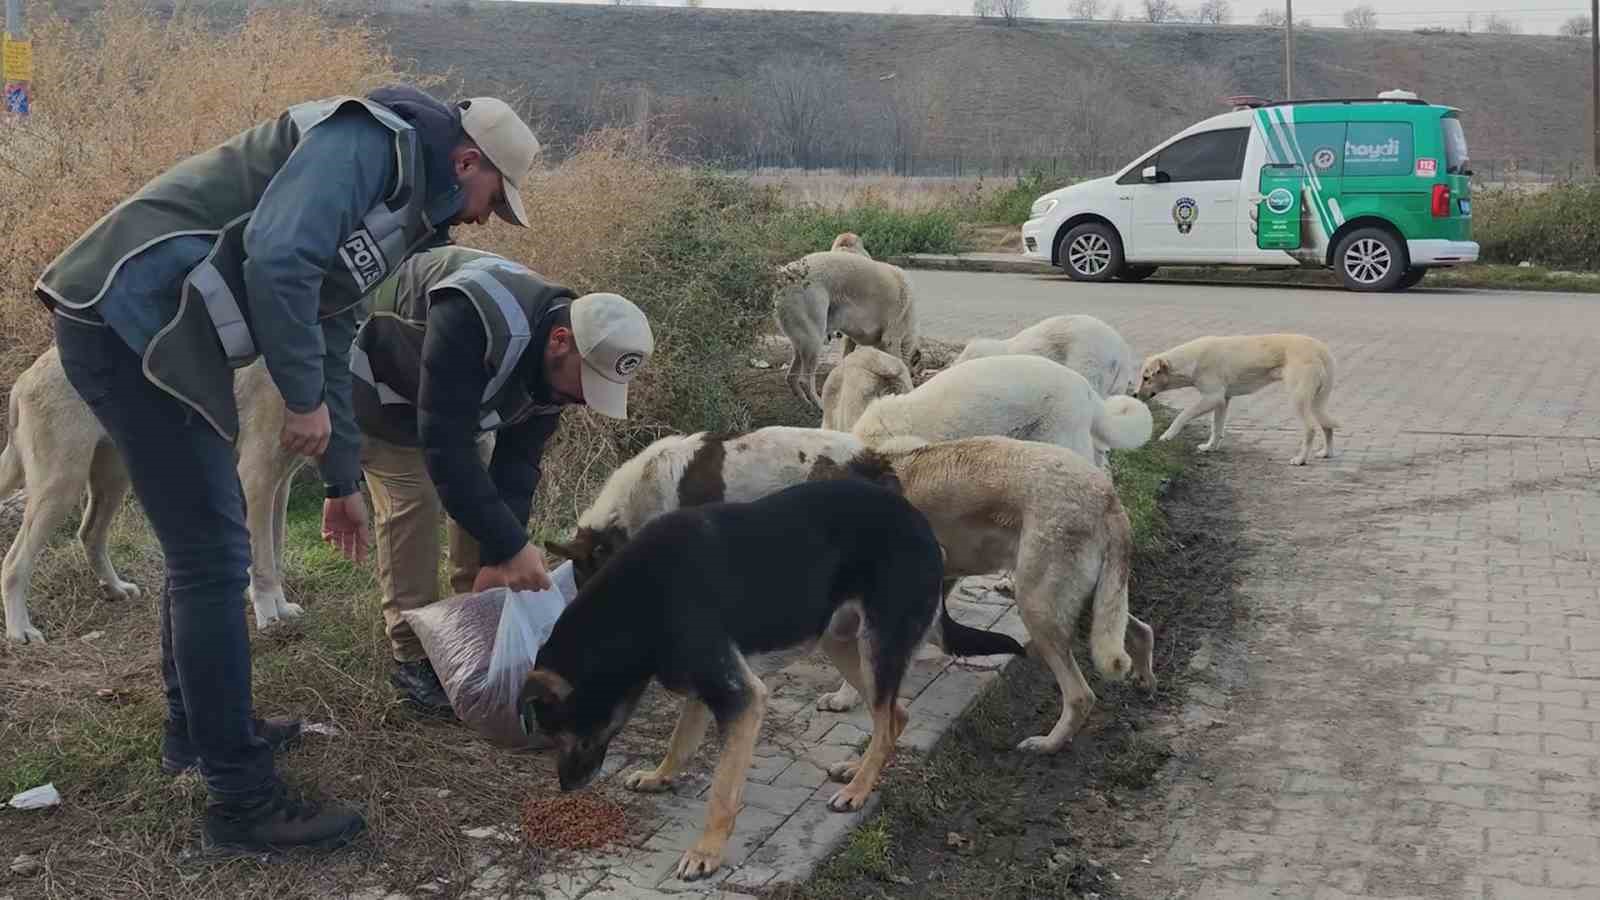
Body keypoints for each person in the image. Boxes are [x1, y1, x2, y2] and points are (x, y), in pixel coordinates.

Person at [32, 85, 542, 854]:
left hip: (171, 338)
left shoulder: (404, 206)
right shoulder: (372, 142)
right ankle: (240, 804)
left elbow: (333, 327)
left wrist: (342, 480)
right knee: (213, 560)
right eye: (491, 199)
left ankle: (199, 735)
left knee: (206, 547)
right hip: (126, 318)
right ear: (468, 160)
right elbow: (278, 257)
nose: (481, 220)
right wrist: (301, 400)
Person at [348, 245, 653, 713]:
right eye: (586, 383)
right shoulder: (478, 314)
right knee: (414, 500)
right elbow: (444, 447)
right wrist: (512, 548)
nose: (585, 400)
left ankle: (469, 633)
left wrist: (498, 555)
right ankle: (413, 656)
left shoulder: (558, 372)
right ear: (559, 340)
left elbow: (518, 463)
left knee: (487, 511)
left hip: (455, 400)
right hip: (381, 380)